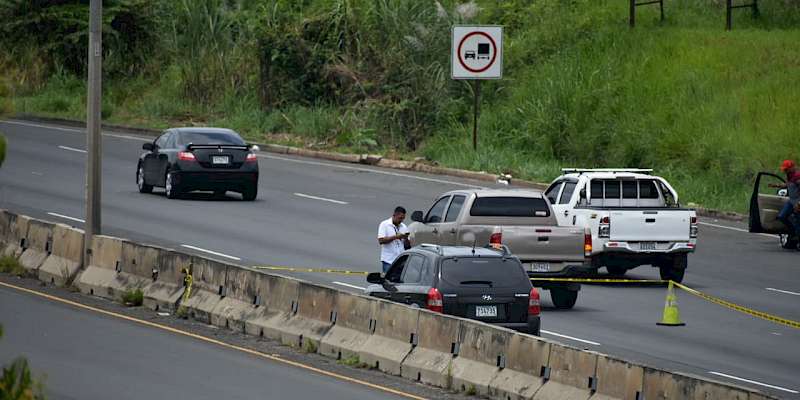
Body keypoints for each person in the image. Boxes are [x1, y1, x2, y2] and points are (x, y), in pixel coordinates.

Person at [771, 160, 800, 243]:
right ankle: (792, 232)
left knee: (798, 221)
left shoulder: (797, 176)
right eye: (784, 170)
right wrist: (776, 185)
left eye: (786, 169)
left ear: (792, 168)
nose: (785, 171)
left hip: (797, 201)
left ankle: (797, 238)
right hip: (791, 201)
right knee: (781, 216)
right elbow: (788, 184)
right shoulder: (790, 175)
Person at [378, 207, 410, 273]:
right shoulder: (385, 224)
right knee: (388, 282)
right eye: (400, 218)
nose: (401, 220)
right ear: (394, 215)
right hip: (388, 260)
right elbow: (381, 241)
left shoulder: (404, 227)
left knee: (399, 282)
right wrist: (396, 237)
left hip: (400, 261)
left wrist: (406, 238)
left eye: (403, 218)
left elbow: (407, 246)